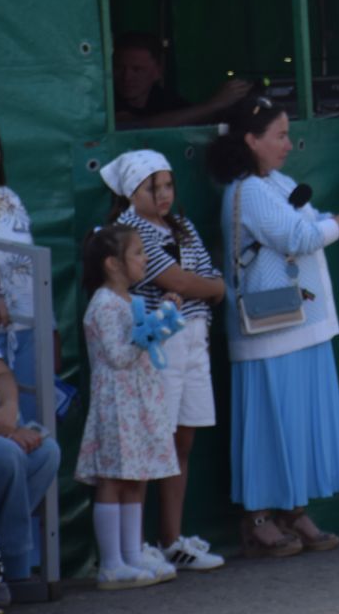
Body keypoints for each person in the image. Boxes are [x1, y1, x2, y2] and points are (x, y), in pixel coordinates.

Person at [214, 97, 339, 558]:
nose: (289, 143)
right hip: (268, 331)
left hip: (302, 324)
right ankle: (259, 517)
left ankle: (293, 509)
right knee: (272, 423)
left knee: (300, 423)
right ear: (251, 140)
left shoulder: (276, 182)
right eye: (280, 135)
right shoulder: (246, 191)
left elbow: (313, 225)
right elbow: (302, 237)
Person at [103, 150, 226, 572]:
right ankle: (137, 547)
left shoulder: (184, 226)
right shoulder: (129, 231)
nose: (163, 195)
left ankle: (173, 539)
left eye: (167, 185)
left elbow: (209, 277)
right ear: (129, 193)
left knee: (183, 439)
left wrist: (208, 287)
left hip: (196, 338)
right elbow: (178, 281)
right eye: (151, 188)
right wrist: (208, 287)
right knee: (155, 438)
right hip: (161, 342)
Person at [75, 226, 178, 589]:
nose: (144, 259)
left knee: (135, 477)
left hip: (136, 400)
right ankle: (112, 563)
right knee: (113, 479)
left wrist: (162, 323)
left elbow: (139, 345)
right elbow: (119, 356)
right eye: (137, 253)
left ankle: (132, 555)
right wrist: (148, 332)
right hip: (116, 402)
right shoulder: (103, 304)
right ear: (112, 264)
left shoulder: (126, 301)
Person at [0, 335, 59, 595]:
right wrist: (3, 432)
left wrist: (9, 406)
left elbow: (1, 373)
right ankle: (8, 566)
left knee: (46, 453)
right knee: (8, 454)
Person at [0, 119, 38, 425]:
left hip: (26, 330)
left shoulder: (8, 200)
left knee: (31, 427)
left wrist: (51, 328)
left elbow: (31, 267)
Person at [111, 33, 252, 130]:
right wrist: (215, 103)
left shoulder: (163, 98)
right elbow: (136, 127)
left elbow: (193, 118)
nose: (126, 77)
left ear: (157, 72)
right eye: (118, 68)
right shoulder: (105, 101)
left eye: (137, 69)